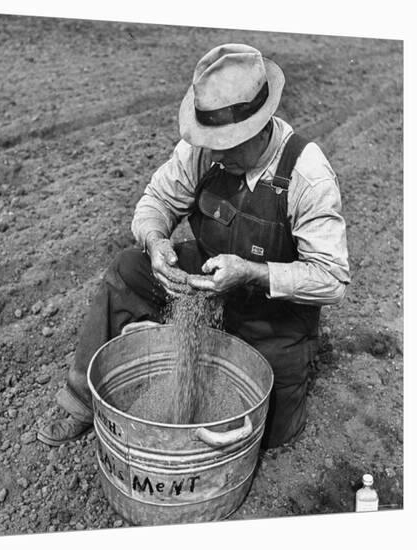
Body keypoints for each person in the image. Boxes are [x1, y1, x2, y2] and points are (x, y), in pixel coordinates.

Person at [37, 43, 350, 449]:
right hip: (201, 288)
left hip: (272, 319)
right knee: (126, 270)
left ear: (260, 125)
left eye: (228, 142)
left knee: (265, 435)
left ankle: (181, 348)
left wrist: (252, 272)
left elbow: (333, 278)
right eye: (211, 140)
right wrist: (154, 241)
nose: (215, 152)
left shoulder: (306, 175)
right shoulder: (204, 152)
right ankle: (80, 401)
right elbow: (156, 202)